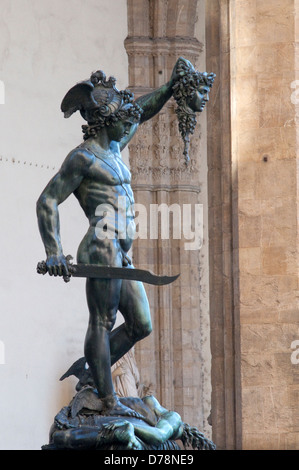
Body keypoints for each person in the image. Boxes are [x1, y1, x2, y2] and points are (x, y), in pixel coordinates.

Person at [36, 58, 214, 415]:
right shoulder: (83, 159)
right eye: (123, 118)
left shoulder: (115, 146)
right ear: (106, 120)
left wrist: (169, 88)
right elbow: (48, 200)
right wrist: (54, 250)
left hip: (123, 250)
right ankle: (107, 397)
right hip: (100, 247)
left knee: (140, 324)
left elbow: (140, 112)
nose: (129, 123)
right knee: (102, 322)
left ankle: (91, 374)